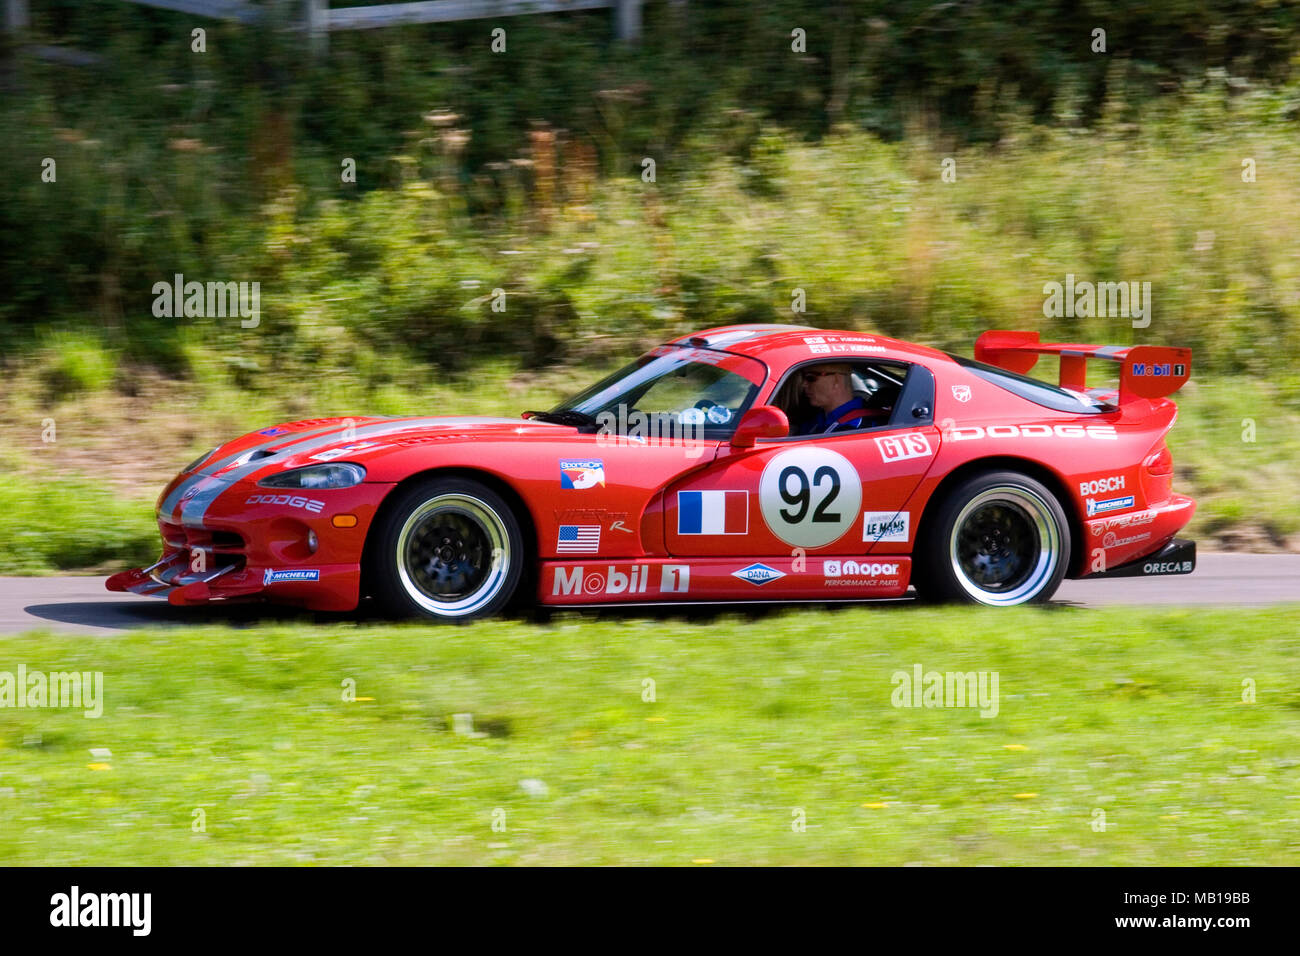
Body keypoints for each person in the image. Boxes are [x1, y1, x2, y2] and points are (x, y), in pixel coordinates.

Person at [794, 363, 889, 435]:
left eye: (810, 378)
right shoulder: (820, 417)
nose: (804, 384)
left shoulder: (858, 428)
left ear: (836, 381)